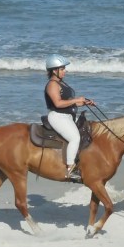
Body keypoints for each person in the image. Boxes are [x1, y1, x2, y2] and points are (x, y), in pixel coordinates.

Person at [44, 54, 95, 182]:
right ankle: (71, 169)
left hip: (67, 116)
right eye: (62, 69)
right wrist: (76, 100)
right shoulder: (52, 85)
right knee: (75, 137)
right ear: (54, 71)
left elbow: (69, 101)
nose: (64, 71)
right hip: (58, 117)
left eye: (64, 69)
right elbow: (58, 103)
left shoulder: (61, 83)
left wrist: (83, 102)